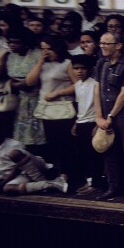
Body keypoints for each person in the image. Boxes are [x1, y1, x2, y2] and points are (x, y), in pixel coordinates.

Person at [94, 32, 124, 203]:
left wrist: (110, 116)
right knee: (109, 151)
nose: (103, 46)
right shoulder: (101, 64)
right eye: (101, 43)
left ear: (118, 45)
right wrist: (99, 116)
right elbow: (97, 90)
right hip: (105, 115)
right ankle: (113, 186)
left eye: (107, 43)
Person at [25, 35, 76, 184]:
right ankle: (57, 172)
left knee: (64, 143)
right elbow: (30, 81)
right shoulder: (42, 64)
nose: (46, 52)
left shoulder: (67, 63)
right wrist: (41, 61)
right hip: (46, 110)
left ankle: (67, 173)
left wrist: (58, 93)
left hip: (62, 107)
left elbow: (78, 85)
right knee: (51, 142)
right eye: (43, 49)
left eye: (49, 49)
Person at [0, 122, 67, 195]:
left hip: (32, 166)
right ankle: (51, 184)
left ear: (3, 132)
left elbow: (19, 168)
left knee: (14, 153)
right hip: (17, 176)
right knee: (8, 189)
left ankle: (42, 181)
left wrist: (0, 184)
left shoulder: (14, 144)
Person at [67, 54, 105, 196]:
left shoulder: (94, 84)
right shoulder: (77, 85)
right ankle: (89, 183)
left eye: (82, 68)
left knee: (95, 156)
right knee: (84, 156)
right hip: (81, 123)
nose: (79, 71)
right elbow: (80, 105)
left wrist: (97, 124)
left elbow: (98, 105)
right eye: (76, 68)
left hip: (92, 123)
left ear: (90, 69)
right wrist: (76, 123)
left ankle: (97, 184)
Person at [6, 28, 47, 150]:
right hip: (20, 100)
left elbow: (41, 76)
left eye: (17, 42)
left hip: (37, 97)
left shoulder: (37, 55)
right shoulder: (11, 57)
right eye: (10, 42)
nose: (12, 45)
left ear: (26, 42)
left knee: (38, 134)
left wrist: (22, 84)